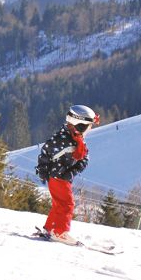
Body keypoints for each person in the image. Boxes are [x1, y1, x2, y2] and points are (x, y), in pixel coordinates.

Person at [35, 104, 99, 244]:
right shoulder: (64, 139)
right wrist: (42, 170)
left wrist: (72, 172)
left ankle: (50, 228)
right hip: (58, 178)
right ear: (80, 125)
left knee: (59, 204)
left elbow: (83, 158)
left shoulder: (76, 139)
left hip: (61, 177)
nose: (90, 129)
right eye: (89, 126)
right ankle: (60, 232)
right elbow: (45, 152)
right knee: (67, 204)